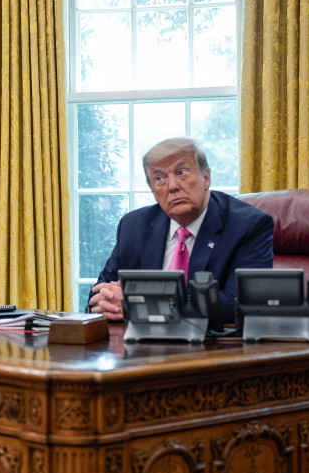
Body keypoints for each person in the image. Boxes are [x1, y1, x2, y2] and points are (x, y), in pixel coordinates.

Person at [88, 137, 274, 329]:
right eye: (159, 178)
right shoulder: (133, 226)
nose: (172, 186)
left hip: (214, 350)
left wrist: (140, 303)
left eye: (181, 172)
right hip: (142, 350)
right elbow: (97, 295)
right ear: (152, 190)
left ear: (206, 178)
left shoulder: (248, 225)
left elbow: (244, 305)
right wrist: (107, 302)